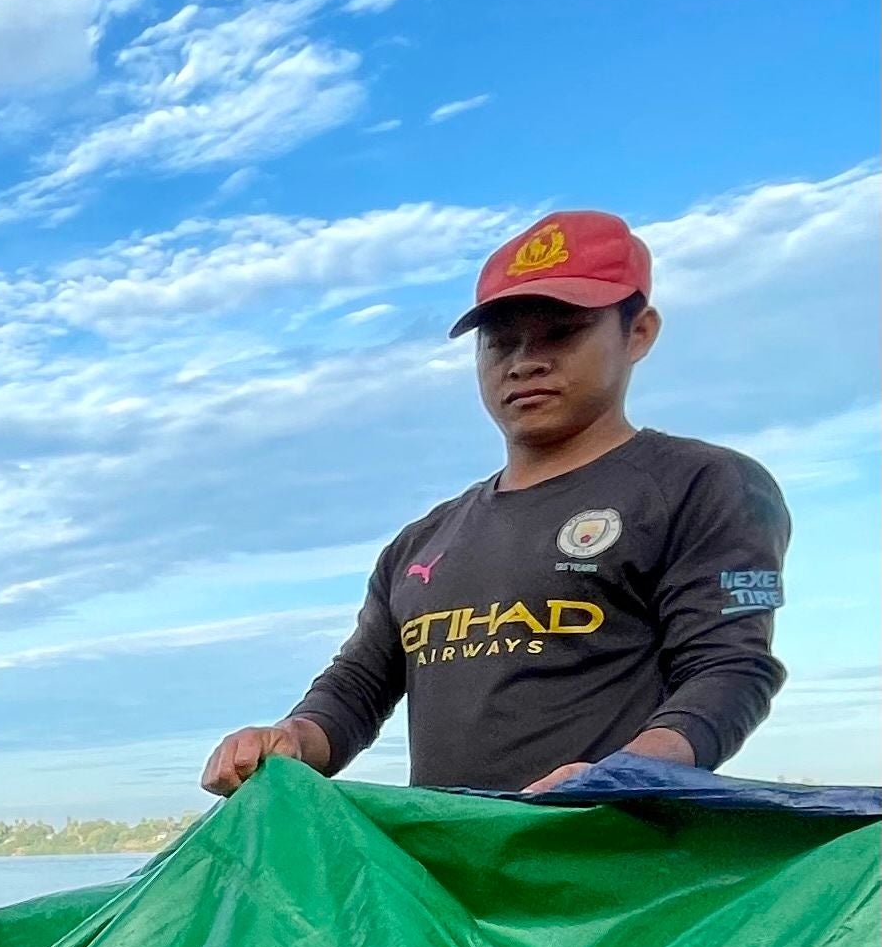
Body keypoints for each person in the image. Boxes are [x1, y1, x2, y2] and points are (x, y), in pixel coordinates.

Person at [203, 211, 790, 803]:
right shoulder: (419, 543)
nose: (525, 361)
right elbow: (354, 691)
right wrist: (287, 740)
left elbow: (729, 671)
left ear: (637, 332)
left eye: (562, 332)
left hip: (620, 863)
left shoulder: (704, 484)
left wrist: (628, 775)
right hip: (451, 870)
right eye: (501, 342)